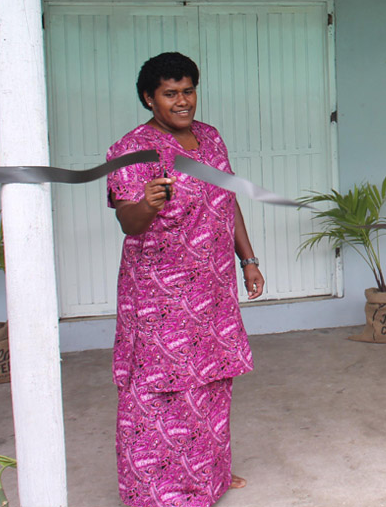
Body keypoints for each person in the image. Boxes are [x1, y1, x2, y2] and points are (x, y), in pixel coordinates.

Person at [106, 52, 266, 506]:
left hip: (212, 285)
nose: (182, 101)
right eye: (170, 93)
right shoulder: (132, 150)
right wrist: (148, 204)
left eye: (188, 91)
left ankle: (209, 474)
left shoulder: (210, 139)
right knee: (159, 386)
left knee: (212, 378)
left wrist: (248, 259)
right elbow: (129, 222)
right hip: (161, 291)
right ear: (148, 98)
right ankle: (158, 489)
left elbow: (227, 200)